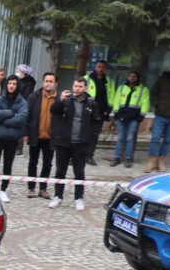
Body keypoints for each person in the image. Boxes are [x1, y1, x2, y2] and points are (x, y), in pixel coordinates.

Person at [48, 77, 101, 212]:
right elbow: (53, 110)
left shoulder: (91, 103)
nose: (77, 89)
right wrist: (60, 100)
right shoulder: (66, 100)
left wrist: (91, 139)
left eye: (80, 86)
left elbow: (96, 123)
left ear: (85, 88)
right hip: (63, 141)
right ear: (73, 86)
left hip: (80, 143)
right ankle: (58, 196)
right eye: (75, 86)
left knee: (79, 172)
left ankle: (79, 198)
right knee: (60, 171)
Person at [0, 75, 27, 204]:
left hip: (12, 139)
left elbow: (21, 118)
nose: (11, 86)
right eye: (10, 83)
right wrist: (10, 113)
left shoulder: (22, 102)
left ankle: (3, 190)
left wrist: (4, 120)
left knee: (8, 165)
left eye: (14, 83)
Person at [24, 71, 57, 199]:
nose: (48, 84)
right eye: (46, 81)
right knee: (33, 162)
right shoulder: (34, 96)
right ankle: (31, 188)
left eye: (51, 81)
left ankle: (43, 189)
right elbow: (28, 115)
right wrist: (26, 132)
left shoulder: (59, 99)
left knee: (47, 164)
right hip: (35, 135)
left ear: (55, 83)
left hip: (50, 137)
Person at [111, 71, 149, 169]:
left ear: (138, 78)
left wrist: (141, 116)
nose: (132, 78)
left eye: (134, 76)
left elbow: (145, 104)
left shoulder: (143, 90)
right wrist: (116, 113)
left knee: (130, 138)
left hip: (134, 118)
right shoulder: (121, 88)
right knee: (120, 138)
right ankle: (117, 158)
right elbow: (116, 101)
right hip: (122, 117)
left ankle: (128, 158)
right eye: (130, 76)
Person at [84, 60, 114, 165]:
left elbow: (111, 98)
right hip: (87, 111)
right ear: (95, 67)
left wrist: (108, 110)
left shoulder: (109, 82)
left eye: (102, 67)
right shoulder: (87, 79)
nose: (100, 69)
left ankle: (89, 156)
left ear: (105, 69)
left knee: (94, 135)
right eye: (98, 66)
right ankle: (78, 156)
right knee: (83, 133)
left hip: (100, 112)